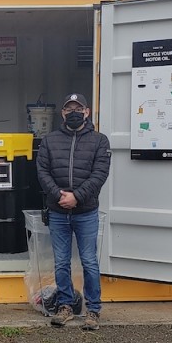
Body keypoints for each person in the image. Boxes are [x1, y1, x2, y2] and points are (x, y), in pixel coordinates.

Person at [36, 93, 111, 330]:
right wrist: (59, 196)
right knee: (61, 262)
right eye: (69, 109)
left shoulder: (100, 141)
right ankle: (65, 306)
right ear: (63, 113)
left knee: (89, 261)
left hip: (86, 211)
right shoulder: (49, 141)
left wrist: (76, 196)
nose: (74, 113)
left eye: (78, 109)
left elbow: (100, 174)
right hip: (58, 212)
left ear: (87, 112)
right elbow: (42, 172)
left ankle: (93, 310)